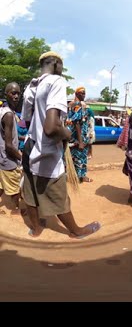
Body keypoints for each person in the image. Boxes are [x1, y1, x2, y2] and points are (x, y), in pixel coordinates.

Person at [20, 51, 100, 238]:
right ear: (55, 64)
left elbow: (26, 119)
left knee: (30, 190)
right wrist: (67, 134)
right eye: (62, 66)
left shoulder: (32, 86)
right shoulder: (57, 81)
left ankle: (36, 228)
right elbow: (51, 128)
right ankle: (76, 231)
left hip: (29, 145)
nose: (62, 70)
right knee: (58, 192)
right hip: (46, 149)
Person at [0, 82, 23, 215]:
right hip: (8, 159)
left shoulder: (2, 110)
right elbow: (9, 146)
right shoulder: (8, 115)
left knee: (1, 184)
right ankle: (16, 209)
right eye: (13, 93)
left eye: (18, 93)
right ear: (6, 94)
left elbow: (5, 136)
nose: (16, 96)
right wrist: (22, 158)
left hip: (1, 157)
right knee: (14, 186)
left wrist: (21, 139)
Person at [67, 87, 92, 183]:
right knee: (78, 157)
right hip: (78, 138)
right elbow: (76, 122)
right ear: (76, 94)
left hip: (82, 136)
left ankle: (82, 176)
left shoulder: (78, 104)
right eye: (82, 93)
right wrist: (80, 141)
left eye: (85, 93)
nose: (84, 95)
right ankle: (78, 177)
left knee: (82, 157)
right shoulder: (76, 105)